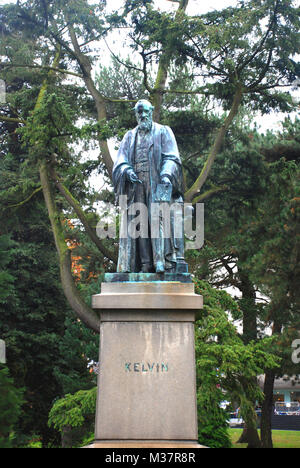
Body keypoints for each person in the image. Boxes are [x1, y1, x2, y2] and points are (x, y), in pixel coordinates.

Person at [112, 99, 187, 274]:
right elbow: (120, 162)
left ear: (151, 111)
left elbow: (172, 158)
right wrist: (127, 170)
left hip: (157, 182)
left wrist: (166, 176)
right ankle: (145, 263)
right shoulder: (129, 137)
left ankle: (159, 261)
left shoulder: (163, 131)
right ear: (135, 114)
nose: (143, 115)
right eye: (139, 112)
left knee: (156, 220)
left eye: (145, 111)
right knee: (139, 224)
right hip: (135, 184)